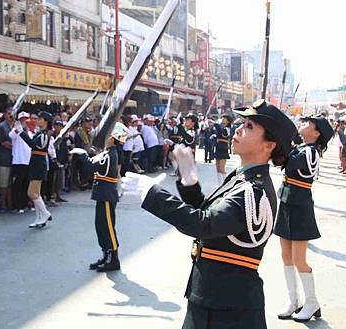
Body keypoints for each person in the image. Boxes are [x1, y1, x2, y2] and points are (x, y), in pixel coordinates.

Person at [123, 99, 297, 329]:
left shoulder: (253, 191)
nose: (239, 128)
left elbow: (203, 225)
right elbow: (214, 218)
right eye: (242, 123)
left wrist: (153, 195)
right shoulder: (240, 178)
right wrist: (190, 183)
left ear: (269, 145)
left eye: (250, 127)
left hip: (229, 308)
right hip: (215, 296)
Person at [274, 115, 333, 322]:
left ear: (316, 134)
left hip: (300, 205)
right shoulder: (301, 148)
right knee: (286, 256)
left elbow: (288, 162)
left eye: (308, 123)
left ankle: (311, 301)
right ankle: (294, 300)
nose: (303, 124)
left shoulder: (311, 152)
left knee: (299, 259)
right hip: (287, 201)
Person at [72, 122, 128, 272]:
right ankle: (106, 255)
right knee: (101, 227)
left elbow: (91, 167)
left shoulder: (110, 154)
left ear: (112, 138)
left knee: (108, 228)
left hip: (106, 195)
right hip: (103, 194)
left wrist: (82, 154)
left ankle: (113, 259)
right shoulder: (108, 153)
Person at [14, 111, 53, 228]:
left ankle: (45, 213)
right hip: (35, 162)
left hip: (39, 163)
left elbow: (33, 145)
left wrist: (21, 131)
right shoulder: (40, 133)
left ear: (45, 121)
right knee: (36, 193)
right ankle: (39, 217)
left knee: (31, 192)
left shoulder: (44, 135)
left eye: (40, 119)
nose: (38, 120)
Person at [9, 111, 31, 213]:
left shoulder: (30, 131)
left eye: (26, 119)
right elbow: (11, 136)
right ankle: (16, 205)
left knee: (26, 183)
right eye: (22, 119)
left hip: (28, 160)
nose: (24, 121)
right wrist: (17, 127)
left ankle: (24, 203)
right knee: (18, 184)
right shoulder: (16, 130)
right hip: (18, 160)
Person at [213, 115, 233, 184]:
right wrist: (214, 136)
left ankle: (225, 183)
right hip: (218, 147)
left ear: (228, 121)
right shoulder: (222, 127)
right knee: (217, 168)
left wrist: (216, 123)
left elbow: (223, 133)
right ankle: (219, 184)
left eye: (224, 118)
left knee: (222, 169)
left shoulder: (227, 128)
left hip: (223, 148)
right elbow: (219, 134)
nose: (222, 119)